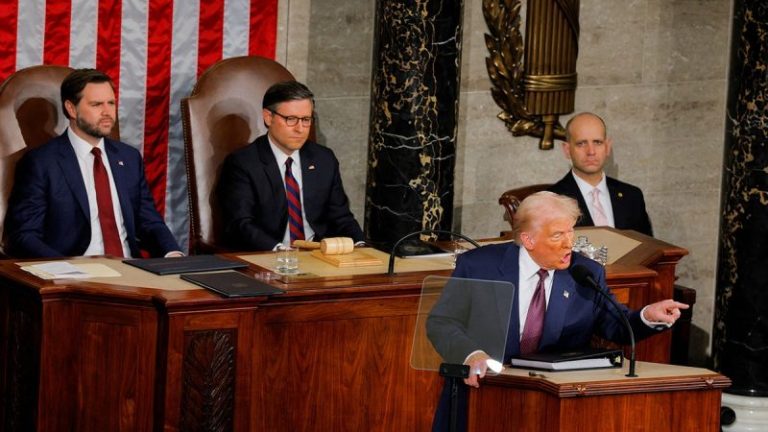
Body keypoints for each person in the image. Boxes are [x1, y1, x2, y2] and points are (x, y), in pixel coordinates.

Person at [426, 192, 687, 431]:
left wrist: (647, 316)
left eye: (570, 232)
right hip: (481, 396)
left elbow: (617, 324)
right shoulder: (479, 266)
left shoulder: (584, 273)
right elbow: (441, 322)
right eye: (557, 235)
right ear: (528, 239)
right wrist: (471, 355)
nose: (568, 244)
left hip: (551, 407)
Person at [4, 68, 182, 258]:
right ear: (71, 109)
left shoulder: (129, 158)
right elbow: (24, 235)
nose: (107, 112)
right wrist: (64, 267)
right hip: (76, 267)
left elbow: (149, 221)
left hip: (130, 267)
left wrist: (172, 253)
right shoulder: (41, 162)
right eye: (97, 104)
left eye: (111, 103)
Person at [217, 80, 364, 251]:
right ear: (268, 117)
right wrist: (279, 250)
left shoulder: (324, 159)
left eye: (306, 119)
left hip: (319, 254)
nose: (300, 129)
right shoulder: (243, 163)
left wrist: (360, 245)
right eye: (291, 119)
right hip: (269, 255)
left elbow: (341, 217)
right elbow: (240, 223)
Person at [548, 112, 653, 236]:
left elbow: (648, 246)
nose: (591, 151)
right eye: (581, 143)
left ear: (607, 147)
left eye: (597, 142)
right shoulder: (551, 201)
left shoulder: (632, 196)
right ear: (567, 150)